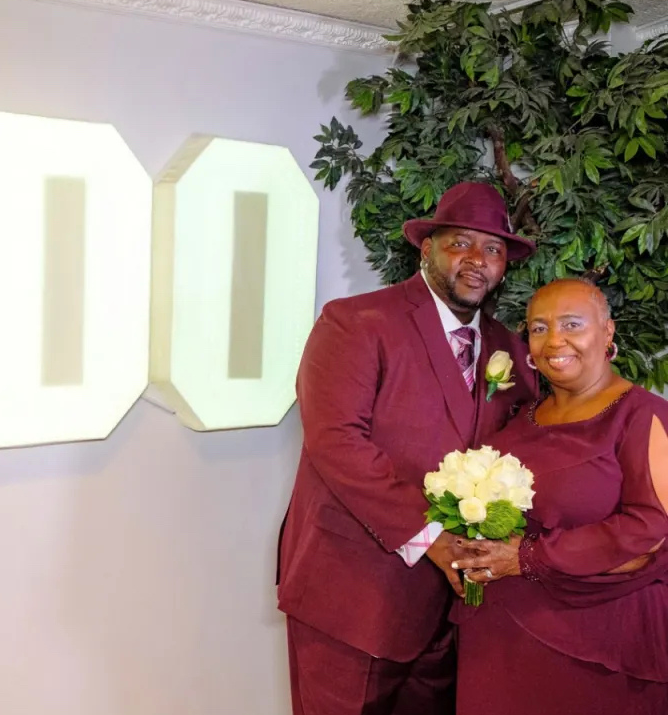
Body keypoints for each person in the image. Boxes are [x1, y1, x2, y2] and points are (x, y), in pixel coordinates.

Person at [276, 181, 539, 715]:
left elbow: (524, 443)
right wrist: (433, 538)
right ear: (427, 248)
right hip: (353, 597)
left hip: (452, 614)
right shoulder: (355, 322)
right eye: (461, 242)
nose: (477, 261)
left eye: (492, 250)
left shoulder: (508, 349)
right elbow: (337, 443)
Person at [450, 277, 668, 714]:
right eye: (539, 328)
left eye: (572, 324)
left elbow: (653, 532)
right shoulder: (518, 419)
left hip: (596, 643)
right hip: (498, 640)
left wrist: (528, 558)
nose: (554, 341)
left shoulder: (644, 414)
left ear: (607, 333)